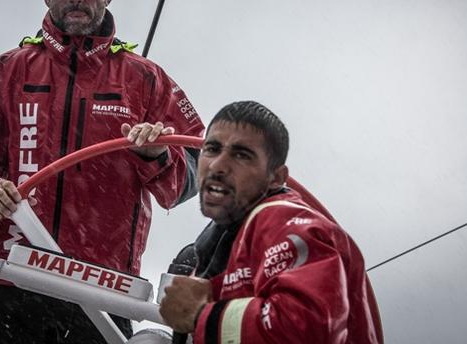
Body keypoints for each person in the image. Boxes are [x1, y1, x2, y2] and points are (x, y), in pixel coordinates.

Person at [0, 0, 204, 343]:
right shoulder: (9, 69)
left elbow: (197, 166)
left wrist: (156, 155)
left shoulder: (147, 78)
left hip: (105, 289)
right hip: (15, 278)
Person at [159, 101, 383, 343]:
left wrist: (201, 314)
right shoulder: (225, 241)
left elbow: (305, 329)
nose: (217, 165)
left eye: (241, 155)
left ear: (276, 177)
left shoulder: (291, 223)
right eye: (212, 149)